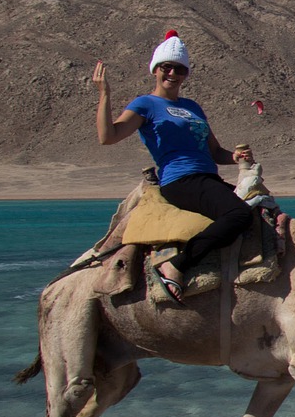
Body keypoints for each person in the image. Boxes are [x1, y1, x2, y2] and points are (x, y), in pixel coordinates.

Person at [94, 31, 256, 303]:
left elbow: (215, 152)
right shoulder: (145, 104)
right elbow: (108, 137)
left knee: (260, 211)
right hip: (181, 181)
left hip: (208, 178)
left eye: (179, 68)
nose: (173, 73)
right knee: (239, 215)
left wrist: (236, 156)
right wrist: (104, 94)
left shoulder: (193, 107)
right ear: (155, 70)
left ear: (186, 73)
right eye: (166, 67)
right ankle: (177, 265)